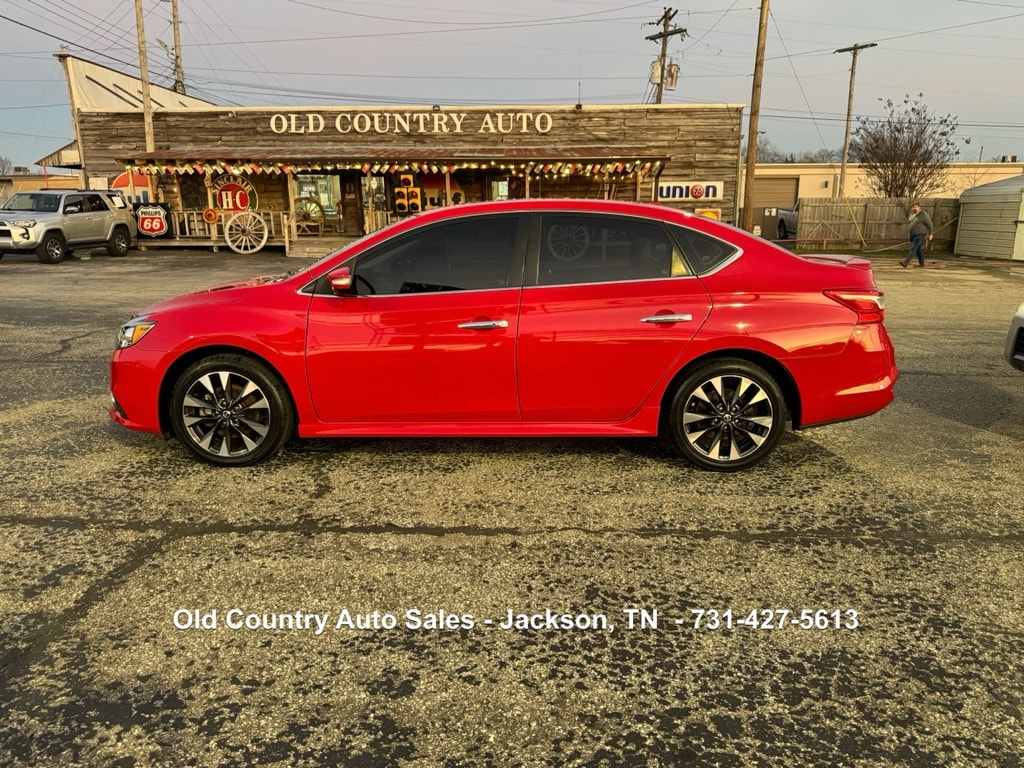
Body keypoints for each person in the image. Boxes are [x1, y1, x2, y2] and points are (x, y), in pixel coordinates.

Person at [900, 203, 933, 267]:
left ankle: (905, 262)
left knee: (913, 247)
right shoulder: (912, 214)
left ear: (919, 208)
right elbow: (910, 223)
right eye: (914, 207)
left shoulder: (923, 215)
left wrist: (931, 234)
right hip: (913, 234)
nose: (915, 208)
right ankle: (921, 263)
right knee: (918, 249)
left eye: (916, 207)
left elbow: (930, 224)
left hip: (920, 234)